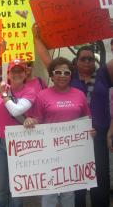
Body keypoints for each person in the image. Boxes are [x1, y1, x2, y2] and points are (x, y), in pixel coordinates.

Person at [33, 24, 113, 207]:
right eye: (83, 59)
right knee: (76, 179)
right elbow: (48, 60)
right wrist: (37, 38)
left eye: (91, 59)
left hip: (98, 136)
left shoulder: (103, 75)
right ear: (76, 63)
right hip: (72, 138)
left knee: (100, 178)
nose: (87, 62)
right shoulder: (68, 76)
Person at [24, 57, 92, 207]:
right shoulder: (42, 95)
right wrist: (30, 121)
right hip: (50, 152)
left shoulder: (79, 94)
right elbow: (37, 119)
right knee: (49, 193)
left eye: (66, 72)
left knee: (69, 193)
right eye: (58, 72)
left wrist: (89, 131)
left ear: (71, 75)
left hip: (73, 151)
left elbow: (87, 119)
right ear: (52, 75)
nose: (62, 75)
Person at [0, 59, 37, 207]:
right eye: (14, 71)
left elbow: (16, 110)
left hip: (18, 143)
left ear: (25, 73)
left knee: (16, 187)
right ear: (8, 74)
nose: (17, 74)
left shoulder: (30, 90)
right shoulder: (3, 88)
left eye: (20, 71)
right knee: (1, 187)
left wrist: (3, 95)